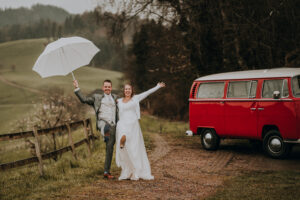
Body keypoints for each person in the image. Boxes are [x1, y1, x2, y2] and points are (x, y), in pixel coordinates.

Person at [116, 82, 165, 180]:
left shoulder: (135, 98)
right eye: (126, 89)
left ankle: (135, 171)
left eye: (129, 89)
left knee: (133, 150)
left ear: (132, 90)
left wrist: (157, 86)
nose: (127, 91)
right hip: (122, 124)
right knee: (124, 141)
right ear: (124, 91)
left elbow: (147, 93)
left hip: (133, 126)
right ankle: (127, 169)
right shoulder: (119, 101)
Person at [73, 79, 118, 179]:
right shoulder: (96, 97)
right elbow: (84, 99)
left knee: (110, 147)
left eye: (109, 87)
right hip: (103, 122)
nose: (107, 88)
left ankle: (107, 171)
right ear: (103, 88)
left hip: (113, 125)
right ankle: (104, 131)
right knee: (105, 127)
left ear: (111, 88)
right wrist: (77, 88)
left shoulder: (115, 98)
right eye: (105, 87)